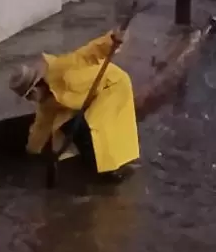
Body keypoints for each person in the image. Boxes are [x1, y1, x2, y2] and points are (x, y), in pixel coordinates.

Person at [8, 31, 139, 178]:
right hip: (86, 98)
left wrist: (111, 40)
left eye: (30, 95)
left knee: (95, 128)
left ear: (37, 86)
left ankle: (110, 170)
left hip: (110, 87)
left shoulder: (62, 68)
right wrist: (31, 152)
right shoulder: (46, 102)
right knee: (68, 124)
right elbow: (41, 125)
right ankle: (92, 159)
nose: (30, 100)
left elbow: (89, 53)